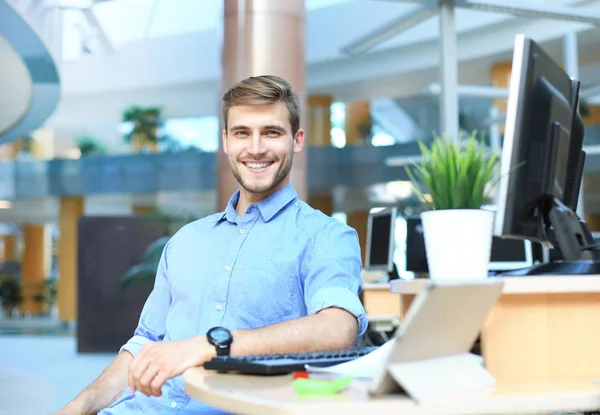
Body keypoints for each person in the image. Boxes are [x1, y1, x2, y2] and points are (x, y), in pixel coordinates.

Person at [54, 75, 367, 415]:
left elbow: (339, 328)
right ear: (226, 142)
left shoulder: (326, 236)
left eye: (272, 132)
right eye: (242, 133)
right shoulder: (186, 240)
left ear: (297, 140)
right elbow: (144, 343)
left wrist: (210, 345)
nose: (256, 147)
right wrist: (79, 406)